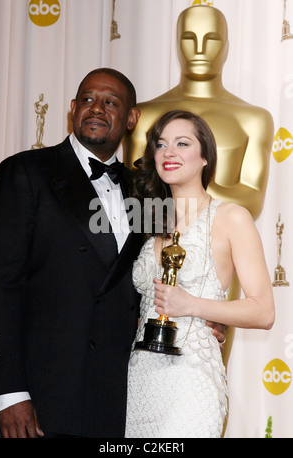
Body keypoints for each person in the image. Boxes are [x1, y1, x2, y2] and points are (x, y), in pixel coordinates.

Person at [0, 69, 225, 438]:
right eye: (87, 99)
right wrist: (8, 392)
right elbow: (1, 287)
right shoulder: (26, 172)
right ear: (72, 108)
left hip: (118, 394)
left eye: (111, 102)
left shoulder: (146, 189)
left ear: (131, 118)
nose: (96, 108)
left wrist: (208, 315)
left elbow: (162, 272)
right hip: (40, 394)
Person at [123, 4, 274, 364]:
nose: (201, 48)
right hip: (138, 368)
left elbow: (252, 198)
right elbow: (135, 196)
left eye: (211, 38)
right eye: (160, 145)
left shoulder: (253, 118)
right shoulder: (145, 114)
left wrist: (196, 306)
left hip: (201, 342)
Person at [125, 110, 275, 438]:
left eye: (182, 143)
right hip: (139, 382)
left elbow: (263, 311)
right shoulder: (147, 221)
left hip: (191, 380)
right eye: (161, 144)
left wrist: (192, 305)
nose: (169, 152)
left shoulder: (231, 217)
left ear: (205, 156)